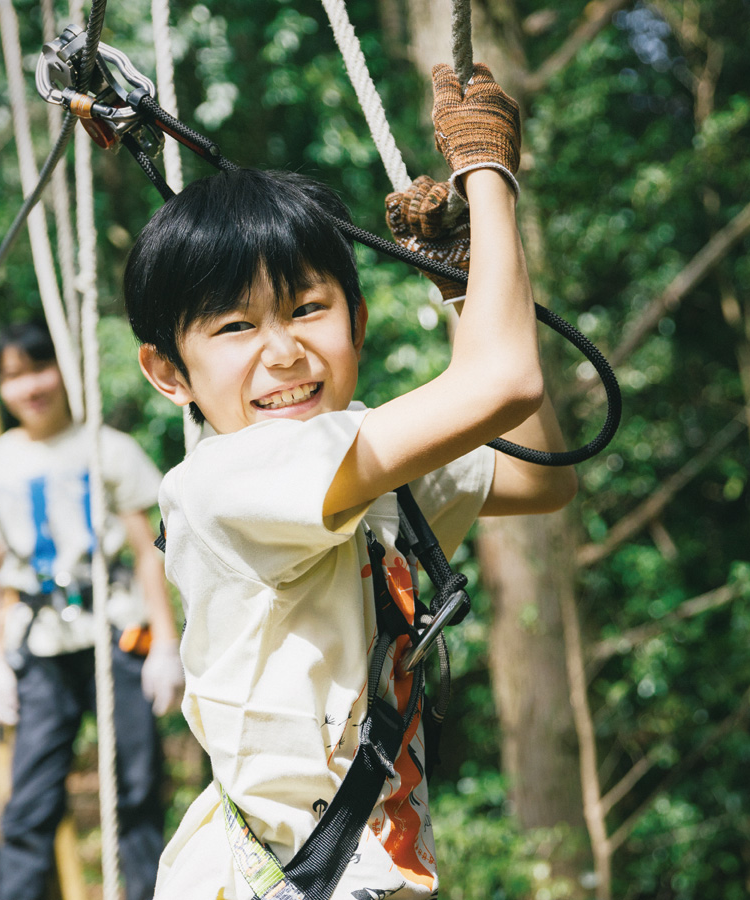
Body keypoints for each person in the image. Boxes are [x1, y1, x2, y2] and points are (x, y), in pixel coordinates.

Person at [122, 64, 578, 898]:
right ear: (168, 372)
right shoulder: (225, 483)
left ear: (357, 322)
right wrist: (489, 179)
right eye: (234, 327)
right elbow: (506, 383)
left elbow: (537, 469)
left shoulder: (369, 474)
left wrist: (466, 291)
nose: (283, 353)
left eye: (306, 309)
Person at [0, 319, 184, 900]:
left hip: (115, 631)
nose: (30, 386)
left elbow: (146, 550)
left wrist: (166, 642)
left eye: (39, 368)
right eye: (14, 376)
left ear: (62, 369)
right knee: (29, 803)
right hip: (40, 644)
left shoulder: (108, 448)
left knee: (137, 789)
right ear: (1, 389)